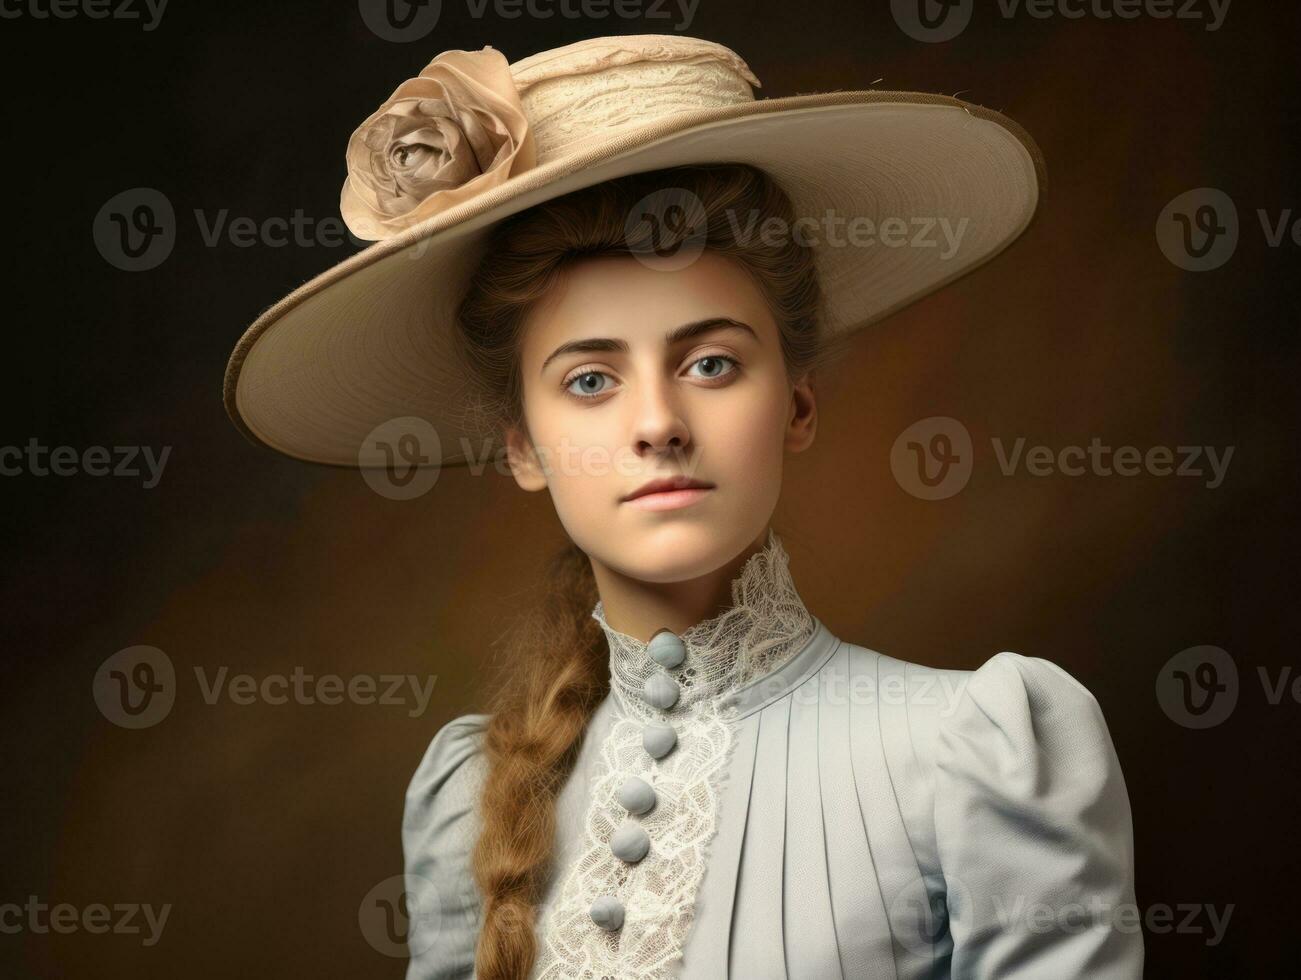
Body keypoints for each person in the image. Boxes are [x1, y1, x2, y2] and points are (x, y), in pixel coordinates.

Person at [224, 34, 1142, 980]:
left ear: (795, 404)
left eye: (710, 364)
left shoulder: (974, 749)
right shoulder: (471, 798)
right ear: (522, 448)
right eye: (589, 380)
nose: (658, 423)